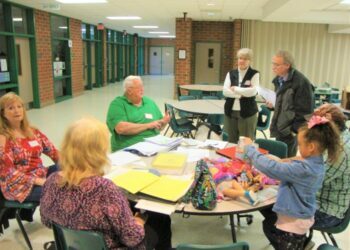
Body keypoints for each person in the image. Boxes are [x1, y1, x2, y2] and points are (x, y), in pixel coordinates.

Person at [40, 117, 172, 250]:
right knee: (160, 220)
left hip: (71, 246)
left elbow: (46, 221)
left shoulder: (51, 180)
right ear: (99, 151)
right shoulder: (105, 189)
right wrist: (139, 221)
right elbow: (132, 238)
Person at [241, 114, 341, 250]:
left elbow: (272, 168)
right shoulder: (316, 162)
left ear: (311, 147)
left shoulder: (304, 169)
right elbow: (298, 163)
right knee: (268, 222)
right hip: (300, 217)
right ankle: (301, 244)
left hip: (292, 226)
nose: (298, 148)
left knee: (272, 229)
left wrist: (250, 149)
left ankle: (300, 245)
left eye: (300, 145)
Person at [0, 92, 59, 203]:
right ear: (3, 113)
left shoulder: (33, 131)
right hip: (19, 186)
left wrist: (74, 167)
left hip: (40, 174)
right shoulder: (3, 139)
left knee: (70, 170)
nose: (16, 111)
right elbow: (9, 173)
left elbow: (54, 152)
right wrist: (38, 181)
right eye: (11, 108)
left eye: (19, 106)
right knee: (58, 191)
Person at [268, 50, 314, 157]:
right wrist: (272, 106)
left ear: (287, 65)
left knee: (287, 160)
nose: (273, 67)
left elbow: (306, 112)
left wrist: (293, 131)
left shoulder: (301, 83)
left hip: (290, 131)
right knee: (279, 159)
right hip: (280, 126)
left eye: (276, 64)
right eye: (273, 63)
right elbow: (285, 104)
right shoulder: (279, 79)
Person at [106, 75, 170, 152]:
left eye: (142, 86)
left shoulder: (149, 102)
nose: (142, 89)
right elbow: (121, 128)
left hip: (153, 146)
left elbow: (159, 127)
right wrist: (148, 125)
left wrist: (164, 122)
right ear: (129, 91)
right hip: (129, 149)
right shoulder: (118, 104)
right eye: (139, 87)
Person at [311, 104, 350, 229]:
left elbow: (313, 180)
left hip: (327, 212)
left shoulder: (341, 151)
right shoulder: (337, 137)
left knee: (278, 211)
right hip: (319, 198)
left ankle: (296, 243)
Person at [223, 48, 260, 143]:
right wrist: (241, 95)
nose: (242, 61)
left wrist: (235, 89)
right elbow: (225, 91)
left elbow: (253, 92)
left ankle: (244, 158)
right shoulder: (231, 73)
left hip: (247, 113)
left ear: (250, 60)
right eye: (240, 58)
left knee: (245, 142)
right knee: (230, 141)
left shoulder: (254, 74)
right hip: (230, 111)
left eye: (245, 59)